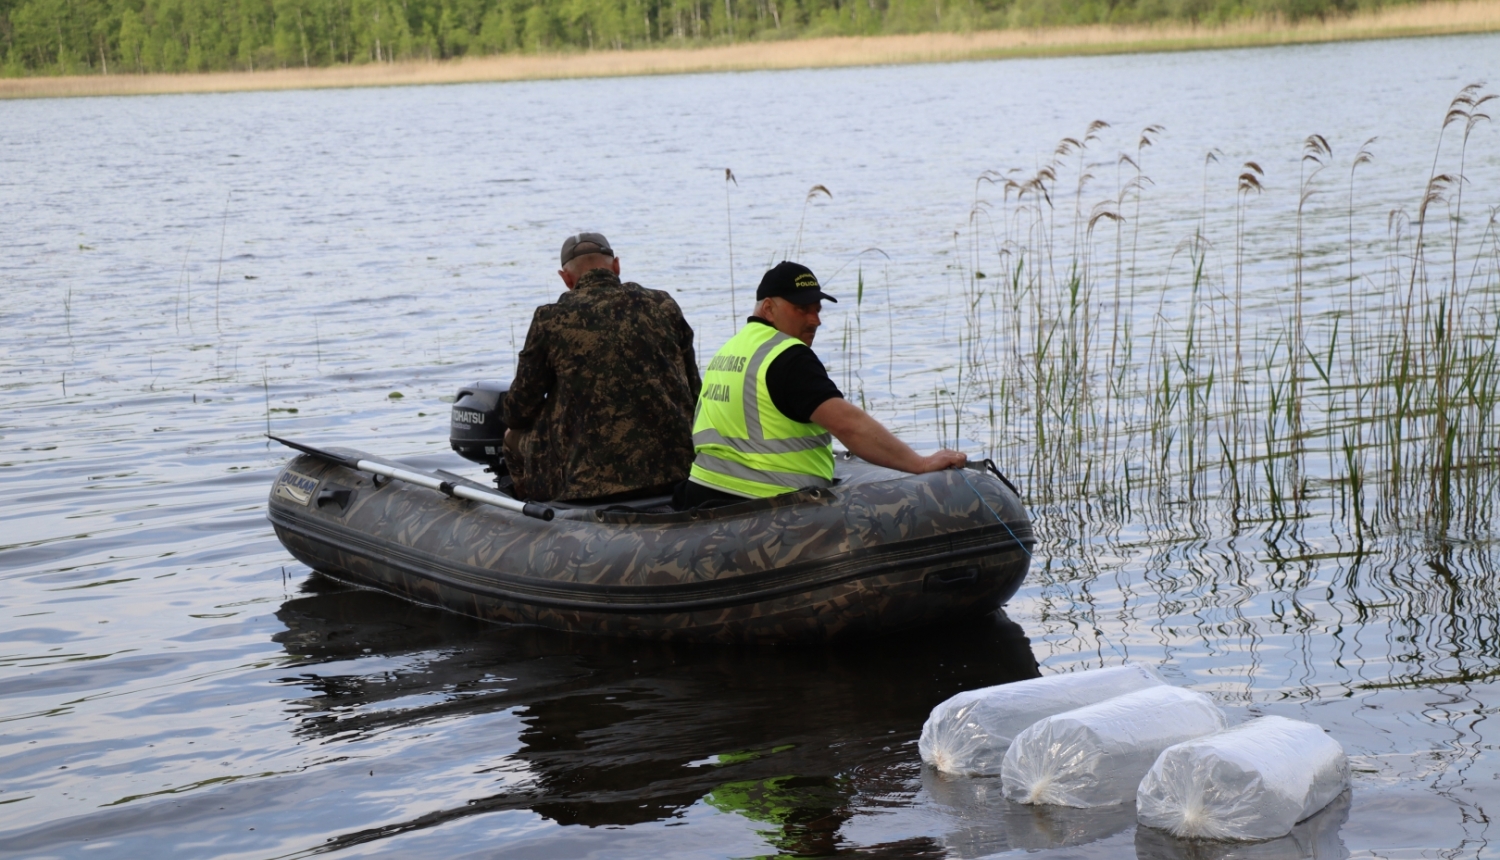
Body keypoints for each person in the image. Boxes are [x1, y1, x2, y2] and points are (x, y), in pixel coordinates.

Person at [677, 261, 965, 508]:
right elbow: (849, 425)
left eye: (817, 310)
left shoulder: (726, 351)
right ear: (768, 308)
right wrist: (920, 464)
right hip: (765, 505)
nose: (815, 320)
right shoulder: (789, 356)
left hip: (704, 495)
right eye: (802, 309)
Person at [502, 232, 701, 503]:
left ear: (566, 278)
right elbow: (694, 388)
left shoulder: (550, 319)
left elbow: (518, 412)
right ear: (616, 266)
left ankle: (535, 519)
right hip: (679, 470)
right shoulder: (663, 304)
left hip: (588, 485)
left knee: (511, 438)